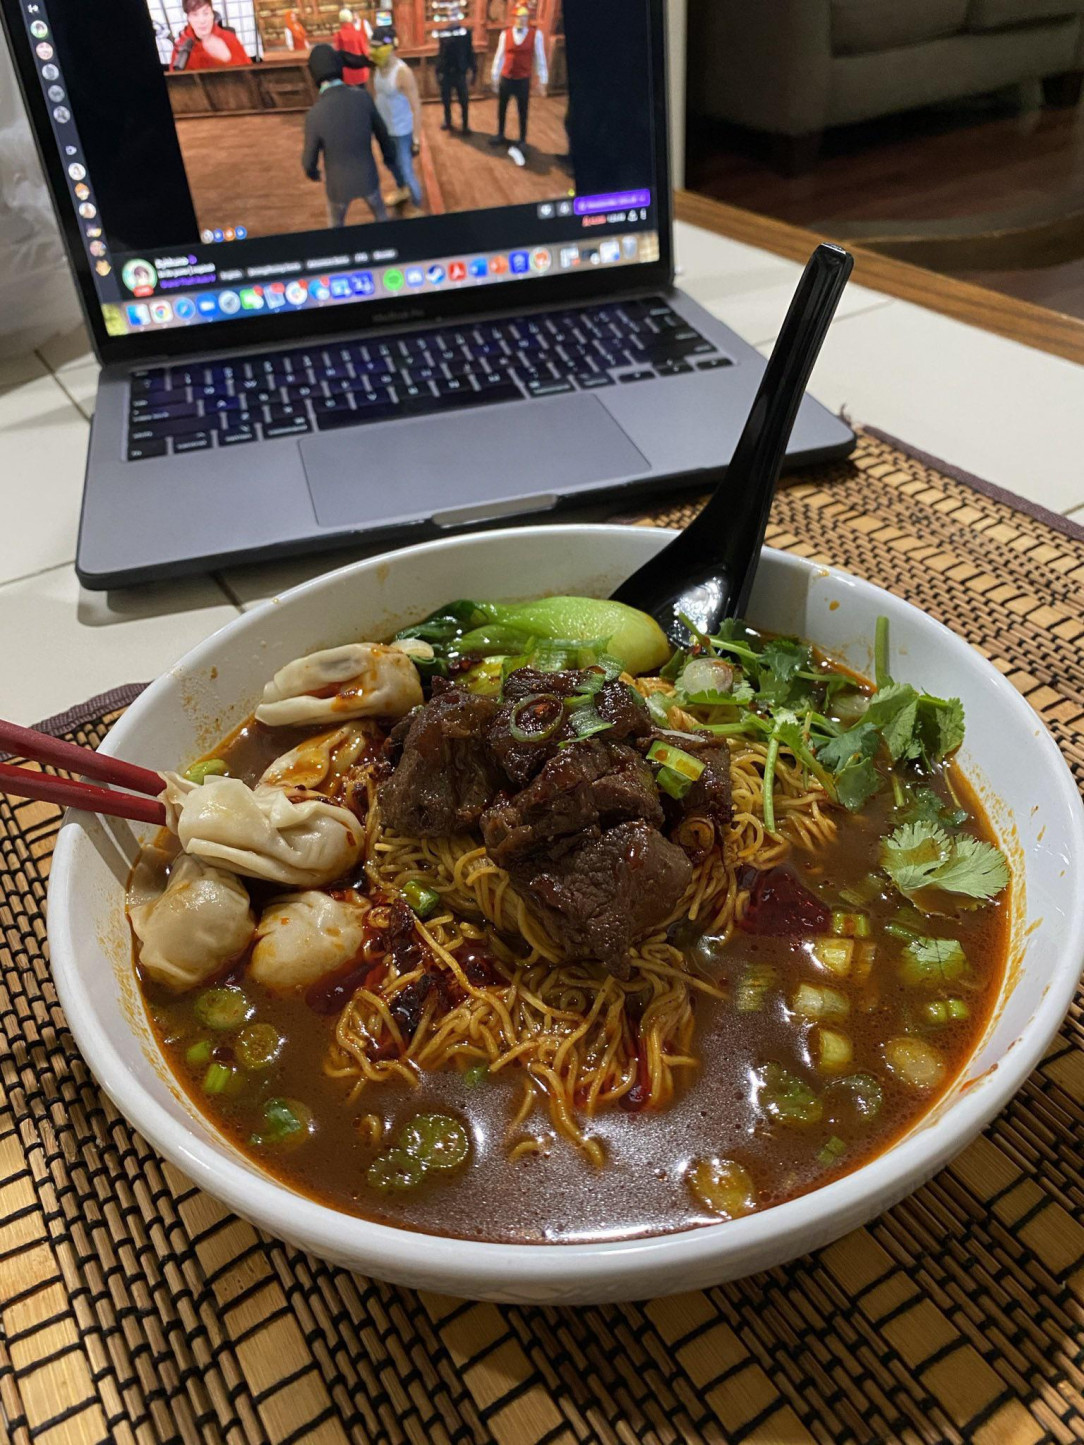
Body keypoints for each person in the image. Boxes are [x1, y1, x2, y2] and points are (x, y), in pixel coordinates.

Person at [301, 44, 396, 227]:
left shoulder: (314, 114)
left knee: (336, 226)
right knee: (381, 217)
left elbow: (308, 160)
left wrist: (312, 172)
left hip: (337, 186)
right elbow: (383, 135)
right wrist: (389, 158)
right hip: (368, 177)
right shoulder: (363, 98)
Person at [369, 25, 424, 209]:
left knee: (407, 171)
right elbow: (377, 96)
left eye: (379, 48)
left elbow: (416, 106)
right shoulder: (377, 69)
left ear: (391, 46)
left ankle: (417, 206)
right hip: (384, 130)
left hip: (401, 131)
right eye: (373, 47)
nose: (374, 52)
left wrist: (416, 138)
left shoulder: (403, 72)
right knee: (390, 163)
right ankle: (402, 190)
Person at [490, 5, 547, 150]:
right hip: (506, 78)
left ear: (527, 18)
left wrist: (543, 79)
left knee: (523, 110)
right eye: (518, 17)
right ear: (514, 18)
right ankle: (500, 134)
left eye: (524, 17)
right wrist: (495, 76)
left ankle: (522, 139)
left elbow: (540, 58)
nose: (521, 19)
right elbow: (499, 56)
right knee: (502, 108)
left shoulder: (536, 35)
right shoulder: (505, 34)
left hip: (523, 80)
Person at [170, 0, 250, 70]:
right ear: (189, 18)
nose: (202, 20)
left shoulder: (229, 38)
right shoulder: (181, 47)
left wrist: (228, 59)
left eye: (206, 13)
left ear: (212, 14)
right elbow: (174, 82)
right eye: (195, 15)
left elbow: (250, 75)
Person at [434, 6, 475, 134]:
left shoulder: (466, 34)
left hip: (460, 72)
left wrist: (474, 70)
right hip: (446, 72)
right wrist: (437, 71)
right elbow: (440, 54)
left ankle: (465, 125)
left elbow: (470, 52)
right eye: (450, 14)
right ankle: (448, 121)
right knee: (446, 100)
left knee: (464, 100)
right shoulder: (444, 34)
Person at [334, 7, 370, 85]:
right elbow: (365, 52)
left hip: (347, 72)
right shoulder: (358, 34)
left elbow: (337, 53)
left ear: (340, 21)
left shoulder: (338, 35)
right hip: (361, 71)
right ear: (351, 19)